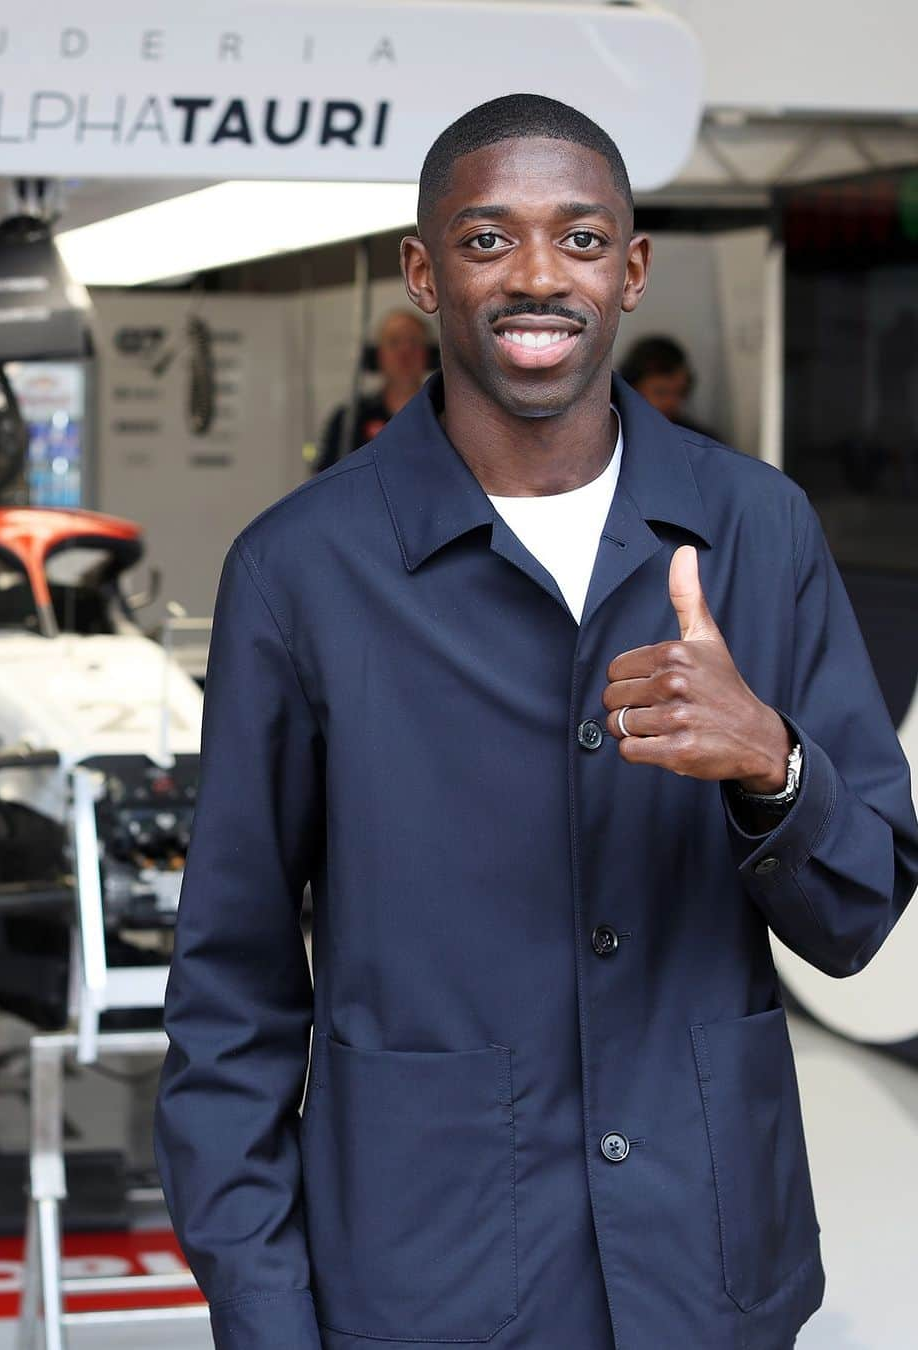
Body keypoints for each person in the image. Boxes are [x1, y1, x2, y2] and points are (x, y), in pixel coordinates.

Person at [155, 94, 918, 1350]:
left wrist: (772, 767)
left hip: (704, 1256)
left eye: (577, 238)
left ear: (631, 272)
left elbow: (857, 920)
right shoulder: (303, 571)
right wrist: (262, 1308)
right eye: (486, 238)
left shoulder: (757, 532)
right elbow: (231, 986)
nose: (535, 276)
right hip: (424, 1274)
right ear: (421, 272)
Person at [308, 309, 431, 473]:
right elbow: (326, 484)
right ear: (378, 354)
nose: (405, 352)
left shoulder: (448, 415)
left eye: (413, 342)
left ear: (429, 354)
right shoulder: (350, 419)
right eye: (394, 342)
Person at [619, 333, 719, 439]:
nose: (671, 402)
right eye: (661, 392)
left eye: (680, 392)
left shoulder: (699, 440)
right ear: (633, 389)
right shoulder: (615, 438)